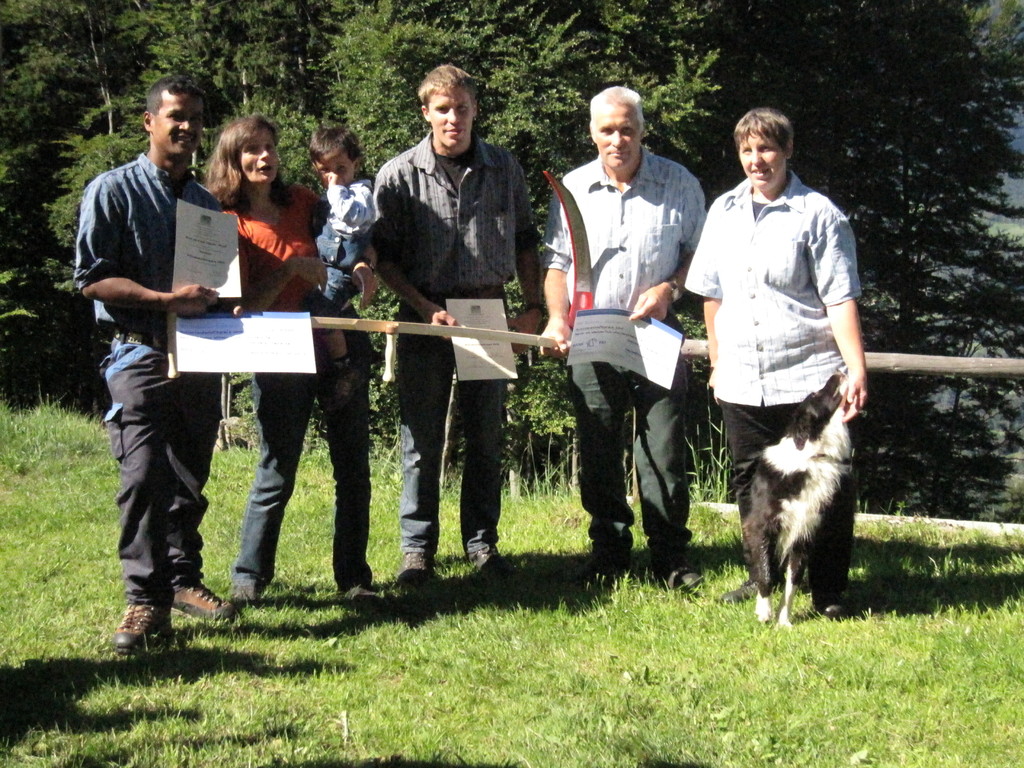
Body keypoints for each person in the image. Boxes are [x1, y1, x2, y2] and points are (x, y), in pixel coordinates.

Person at [74, 74, 237, 655]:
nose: (188, 127)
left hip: (200, 350)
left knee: (191, 475)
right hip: (137, 349)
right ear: (150, 122)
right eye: (176, 116)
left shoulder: (204, 204)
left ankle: (183, 579)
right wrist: (165, 302)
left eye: (195, 117)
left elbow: (218, 284)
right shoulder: (111, 191)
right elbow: (93, 279)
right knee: (143, 474)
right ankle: (145, 598)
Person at [684, 107, 868, 618]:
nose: (756, 159)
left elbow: (840, 299)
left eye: (766, 148)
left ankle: (827, 591)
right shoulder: (722, 211)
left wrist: (854, 370)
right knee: (752, 481)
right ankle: (761, 576)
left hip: (806, 376)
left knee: (825, 485)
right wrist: (717, 361)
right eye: (747, 150)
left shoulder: (819, 215)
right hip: (743, 375)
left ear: (787, 151)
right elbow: (711, 294)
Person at [372, 64, 543, 585]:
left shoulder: (503, 167)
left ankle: (482, 544)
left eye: (462, 108)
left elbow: (525, 241)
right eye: (442, 109)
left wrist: (533, 304)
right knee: (421, 438)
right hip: (424, 316)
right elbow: (383, 258)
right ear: (425, 112)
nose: (453, 118)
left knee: (486, 436)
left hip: (487, 314)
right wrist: (423, 306)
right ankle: (417, 550)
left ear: (474, 111)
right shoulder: (398, 174)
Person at [206, 115, 377, 603]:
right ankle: (249, 579)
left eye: (270, 147)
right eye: (251, 150)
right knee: (278, 467)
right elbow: (232, 306)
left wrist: (364, 266)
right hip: (277, 350)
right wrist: (288, 273)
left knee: (353, 467)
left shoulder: (303, 200)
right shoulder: (225, 220)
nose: (264, 158)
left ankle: (354, 578)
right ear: (232, 159)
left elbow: (348, 245)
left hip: (337, 343)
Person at [541, 86, 707, 588]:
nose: (618, 139)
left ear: (641, 130)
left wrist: (668, 288)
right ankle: (609, 551)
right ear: (592, 132)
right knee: (597, 445)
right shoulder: (571, 187)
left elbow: (700, 254)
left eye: (627, 129)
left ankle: (669, 557)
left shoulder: (678, 183)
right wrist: (556, 318)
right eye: (607, 130)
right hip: (591, 335)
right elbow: (556, 263)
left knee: (663, 445)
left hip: (656, 331)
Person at [304, 124, 378, 410]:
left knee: (321, 310)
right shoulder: (320, 199)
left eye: (341, 168)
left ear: (355, 164)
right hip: (324, 269)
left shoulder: (361, 193)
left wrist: (336, 189)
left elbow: (353, 219)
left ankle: (342, 363)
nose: (334, 176)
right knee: (321, 308)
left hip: (342, 271)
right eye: (325, 171)